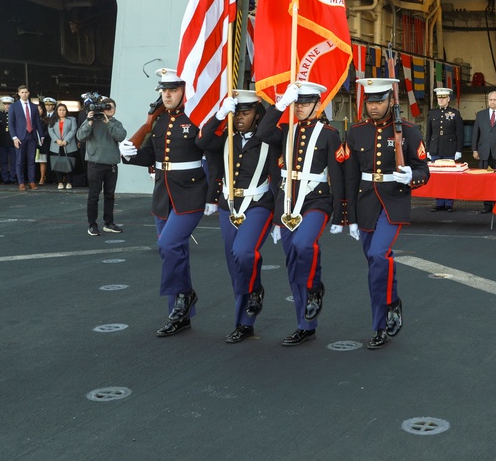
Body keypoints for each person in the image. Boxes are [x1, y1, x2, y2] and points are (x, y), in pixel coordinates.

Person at [256, 81, 346, 347]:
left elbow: (338, 177)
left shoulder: (329, 134)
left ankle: (315, 285)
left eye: (305, 103)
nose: (300, 108)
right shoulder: (286, 131)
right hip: (287, 204)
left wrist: (341, 215)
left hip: (317, 201)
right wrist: (280, 104)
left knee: (303, 244)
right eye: (297, 103)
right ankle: (304, 325)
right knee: (293, 265)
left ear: (318, 105)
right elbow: (263, 132)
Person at [120, 69, 208, 338]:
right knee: (173, 251)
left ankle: (185, 295)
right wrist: (128, 153)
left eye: (173, 89)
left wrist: (216, 195)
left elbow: (213, 153)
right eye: (163, 90)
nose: (166, 94)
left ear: (184, 91)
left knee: (168, 244)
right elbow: (152, 155)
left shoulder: (196, 117)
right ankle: (180, 314)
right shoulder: (158, 121)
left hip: (191, 192)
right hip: (163, 194)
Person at [342, 78, 429, 349]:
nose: (374, 107)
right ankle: (390, 301)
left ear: (392, 101)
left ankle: (380, 324)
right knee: (374, 263)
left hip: (393, 201)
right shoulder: (356, 132)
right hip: (366, 203)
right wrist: (348, 215)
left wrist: (410, 176)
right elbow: (351, 176)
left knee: (379, 255)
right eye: (370, 101)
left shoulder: (410, 131)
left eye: (379, 101)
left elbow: (424, 171)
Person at [198, 89, 275, 344]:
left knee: (243, 253)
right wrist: (220, 115)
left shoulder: (269, 137)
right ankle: (244, 324)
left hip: (258, 204)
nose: (240, 116)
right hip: (228, 205)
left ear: (257, 114)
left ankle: (256, 289)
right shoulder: (226, 138)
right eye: (237, 111)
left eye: (246, 111)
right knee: (234, 265)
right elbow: (203, 141)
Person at [77, 96, 125, 235]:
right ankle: (92, 225)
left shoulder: (116, 123)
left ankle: (109, 223)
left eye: (111, 107)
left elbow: (121, 136)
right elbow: (80, 137)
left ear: (115, 110)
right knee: (93, 196)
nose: (108, 109)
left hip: (111, 165)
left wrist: (108, 122)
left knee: (110, 195)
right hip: (95, 164)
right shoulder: (92, 122)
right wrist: (89, 122)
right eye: (106, 106)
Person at [424, 87, 465, 212]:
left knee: (449, 178)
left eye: (443, 98)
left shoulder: (455, 113)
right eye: (439, 98)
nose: (441, 100)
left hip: (449, 149)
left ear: (448, 99)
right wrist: (428, 150)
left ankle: (449, 203)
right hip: (435, 148)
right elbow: (429, 133)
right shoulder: (432, 113)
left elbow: (460, 133)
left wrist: (458, 150)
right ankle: (439, 203)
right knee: (437, 178)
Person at [8, 85, 42, 191]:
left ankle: (32, 182)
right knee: (20, 161)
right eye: (22, 92)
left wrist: (41, 136)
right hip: (20, 137)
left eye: (26, 92)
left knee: (31, 160)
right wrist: (14, 137)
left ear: (29, 93)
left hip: (31, 136)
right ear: (18, 93)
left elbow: (37, 122)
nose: (24, 94)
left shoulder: (33, 106)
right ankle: (21, 182)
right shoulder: (14, 106)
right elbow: (11, 123)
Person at [48, 103, 78, 189]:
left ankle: (69, 182)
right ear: (57, 111)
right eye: (60, 110)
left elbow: (73, 130)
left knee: (69, 163)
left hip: (69, 145)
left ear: (66, 111)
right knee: (58, 164)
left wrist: (66, 140)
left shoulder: (72, 119)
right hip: (56, 145)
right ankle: (60, 182)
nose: (62, 112)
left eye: (63, 110)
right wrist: (57, 140)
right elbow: (50, 131)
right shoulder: (52, 120)